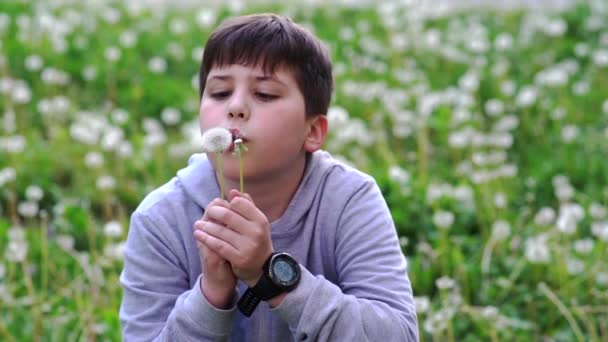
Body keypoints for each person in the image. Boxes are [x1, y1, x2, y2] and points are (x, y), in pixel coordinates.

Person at [119, 13, 418, 341]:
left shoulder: (348, 200)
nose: (235, 108)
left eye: (264, 95)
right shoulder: (162, 219)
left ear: (313, 131)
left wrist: (273, 276)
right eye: (219, 93)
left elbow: (398, 334)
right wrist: (211, 294)